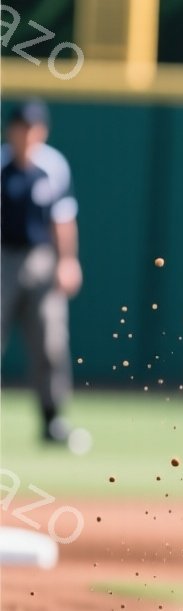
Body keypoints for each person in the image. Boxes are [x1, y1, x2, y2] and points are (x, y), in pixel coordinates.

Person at [1, 99, 84, 448]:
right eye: (22, 126)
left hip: (40, 259)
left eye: (34, 127)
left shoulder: (53, 165)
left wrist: (68, 260)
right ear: (11, 130)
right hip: (3, 259)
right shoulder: (2, 163)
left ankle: (52, 421)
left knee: (50, 343)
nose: (28, 134)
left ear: (43, 131)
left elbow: (62, 219)